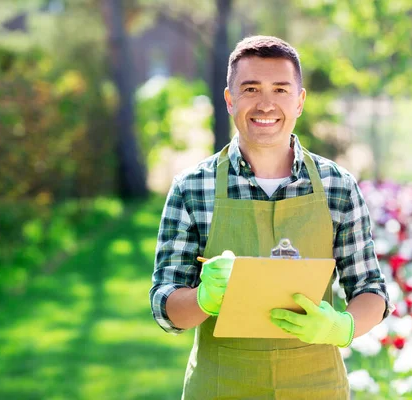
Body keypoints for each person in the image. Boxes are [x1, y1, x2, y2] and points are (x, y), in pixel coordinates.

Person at [150, 35, 391, 400]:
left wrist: (343, 327)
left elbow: (371, 291)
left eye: (280, 89)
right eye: (250, 89)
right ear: (230, 100)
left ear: (300, 101)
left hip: (317, 387)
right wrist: (203, 298)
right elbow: (164, 305)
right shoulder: (192, 187)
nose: (266, 104)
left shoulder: (337, 186)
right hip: (221, 387)